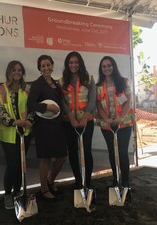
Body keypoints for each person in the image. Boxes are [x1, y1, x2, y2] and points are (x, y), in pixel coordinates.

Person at [27, 55, 67, 200]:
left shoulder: (56, 84)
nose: (46, 68)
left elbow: (60, 103)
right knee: (45, 158)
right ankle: (44, 189)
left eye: (48, 65)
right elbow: (30, 105)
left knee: (62, 157)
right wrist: (46, 106)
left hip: (57, 125)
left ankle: (51, 180)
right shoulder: (37, 84)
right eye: (43, 66)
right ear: (39, 68)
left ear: (52, 65)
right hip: (43, 126)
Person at [0, 60, 33, 209]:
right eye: (13, 70)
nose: (16, 73)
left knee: (21, 165)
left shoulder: (27, 89)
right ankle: (7, 195)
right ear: (8, 72)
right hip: (8, 133)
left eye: (19, 70)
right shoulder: (0, 90)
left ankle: (18, 193)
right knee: (12, 165)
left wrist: (29, 120)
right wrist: (13, 122)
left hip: (25, 132)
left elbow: (32, 108)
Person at [96, 56, 134, 187]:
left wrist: (120, 118)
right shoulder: (98, 86)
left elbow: (128, 101)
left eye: (109, 65)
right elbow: (99, 106)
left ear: (114, 66)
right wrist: (106, 119)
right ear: (101, 69)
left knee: (122, 152)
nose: (107, 68)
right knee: (112, 153)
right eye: (104, 66)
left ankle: (126, 181)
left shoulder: (124, 82)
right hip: (107, 125)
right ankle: (115, 178)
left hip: (124, 124)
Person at [59, 51, 96, 189]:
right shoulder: (62, 81)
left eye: (76, 62)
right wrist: (71, 117)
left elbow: (92, 98)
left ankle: (88, 182)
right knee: (73, 151)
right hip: (69, 123)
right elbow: (62, 101)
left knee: (86, 151)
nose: (73, 65)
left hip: (87, 121)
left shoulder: (88, 79)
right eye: (70, 62)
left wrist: (85, 117)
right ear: (67, 64)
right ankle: (78, 181)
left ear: (80, 63)